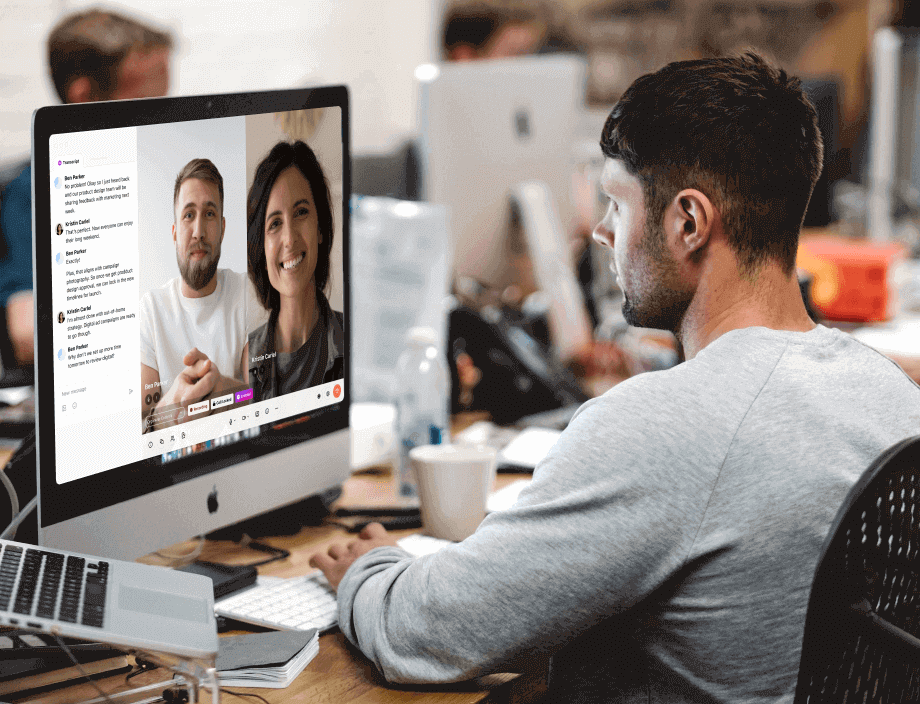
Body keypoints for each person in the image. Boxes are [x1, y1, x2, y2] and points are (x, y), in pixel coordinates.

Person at [309, 52, 920, 702]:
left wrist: (366, 572)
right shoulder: (887, 393)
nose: (600, 232)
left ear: (688, 222)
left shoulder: (663, 426)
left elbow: (429, 629)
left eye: (616, 204)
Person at [0, 9, 172, 368]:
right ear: (85, 97)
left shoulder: (165, 174)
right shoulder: (32, 195)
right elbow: (26, 335)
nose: (165, 122)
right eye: (149, 106)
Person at [140, 159, 248, 429]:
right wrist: (171, 406)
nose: (198, 232)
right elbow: (140, 422)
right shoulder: (150, 310)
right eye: (189, 215)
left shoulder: (247, 293)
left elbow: (260, 394)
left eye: (209, 214)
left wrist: (224, 390)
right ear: (175, 233)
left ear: (222, 228)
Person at [246, 141, 343, 401]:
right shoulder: (243, 363)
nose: (289, 239)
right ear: (261, 248)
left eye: (301, 212)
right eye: (275, 223)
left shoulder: (354, 341)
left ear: (320, 227)